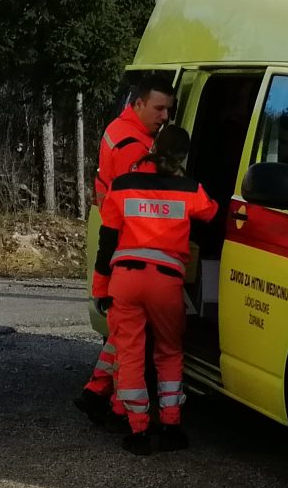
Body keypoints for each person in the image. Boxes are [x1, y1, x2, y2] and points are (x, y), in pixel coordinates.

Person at [91, 124, 215, 455]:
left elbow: (107, 242)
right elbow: (212, 212)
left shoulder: (122, 185)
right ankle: (171, 426)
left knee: (130, 354)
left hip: (125, 279)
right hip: (166, 281)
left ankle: (138, 431)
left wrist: (100, 289)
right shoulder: (191, 189)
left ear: (154, 146)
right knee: (169, 351)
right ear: (183, 155)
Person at [76, 78, 176, 421]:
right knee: (132, 342)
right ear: (139, 104)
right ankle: (121, 409)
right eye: (158, 108)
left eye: (168, 110)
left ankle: (95, 390)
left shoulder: (118, 129)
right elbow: (146, 203)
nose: (164, 117)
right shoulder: (135, 148)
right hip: (132, 248)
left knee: (121, 333)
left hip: (119, 244)